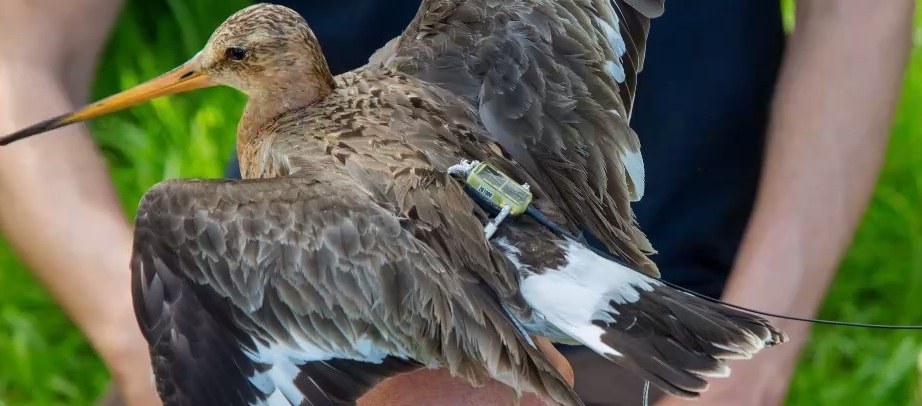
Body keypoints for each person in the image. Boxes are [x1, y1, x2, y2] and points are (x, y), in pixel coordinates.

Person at [0, 1, 913, 405]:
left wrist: (748, 387)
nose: (199, 78)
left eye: (226, 64)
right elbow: (18, 51)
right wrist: (149, 346)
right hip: (285, 286)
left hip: (635, 330)